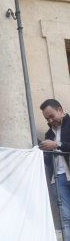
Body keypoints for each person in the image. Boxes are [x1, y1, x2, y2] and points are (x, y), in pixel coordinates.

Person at [39, 99, 70, 240]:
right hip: (57, 178)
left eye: (51, 116)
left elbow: (60, 146)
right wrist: (44, 155)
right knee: (65, 219)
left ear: (60, 110)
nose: (50, 120)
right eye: (47, 118)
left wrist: (58, 145)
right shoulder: (48, 134)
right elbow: (50, 161)